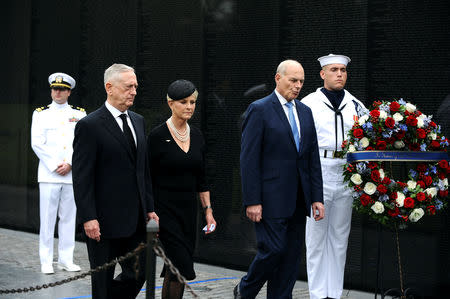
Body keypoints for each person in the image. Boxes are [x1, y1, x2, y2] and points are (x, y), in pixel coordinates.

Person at [235, 60, 325, 299]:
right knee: (273, 250)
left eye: (301, 82)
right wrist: (252, 200)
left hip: (298, 199)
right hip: (269, 198)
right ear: (278, 78)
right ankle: (245, 290)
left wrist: (317, 197)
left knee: (291, 259)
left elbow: (311, 158)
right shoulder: (259, 109)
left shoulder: (305, 112)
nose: (297, 86)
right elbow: (249, 159)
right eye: (293, 80)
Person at [72, 63, 159, 299]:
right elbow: (82, 177)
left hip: (136, 219)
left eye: (136, 87)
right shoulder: (89, 125)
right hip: (103, 222)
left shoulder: (138, 121)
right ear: (109, 88)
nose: (134, 91)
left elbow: (143, 171)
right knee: (102, 281)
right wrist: (89, 217)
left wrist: (150, 208)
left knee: (138, 274)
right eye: (129, 86)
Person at [301, 54, 366, 299]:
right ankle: (318, 294)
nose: (340, 74)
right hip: (319, 170)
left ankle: (334, 293)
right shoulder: (309, 103)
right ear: (322, 74)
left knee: (340, 237)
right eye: (334, 70)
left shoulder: (356, 104)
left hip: (346, 174)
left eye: (343, 70)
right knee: (316, 237)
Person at [147, 79, 217, 299]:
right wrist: (150, 212)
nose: (189, 106)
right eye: (183, 102)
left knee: (174, 268)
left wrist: (208, 211)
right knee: (181, 265)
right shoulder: (157, 136)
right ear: (170, 103)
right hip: (164, 210)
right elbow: (146, 178)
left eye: (193, 102)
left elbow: (201, 178)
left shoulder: (197, 135)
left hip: (188, 211)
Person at [31, 72, 85, 274]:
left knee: (69, 218)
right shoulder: (41, 113)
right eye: (55, 88)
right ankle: (45, 260)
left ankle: (65, 259)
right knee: (47, 219)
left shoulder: (80, 114)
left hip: (71, 175)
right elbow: (36, 143)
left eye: (62, 89)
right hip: (48, 174)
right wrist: (55, 165)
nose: (58, 92)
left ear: (69, 92)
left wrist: (70, 163)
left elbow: (82, 143)